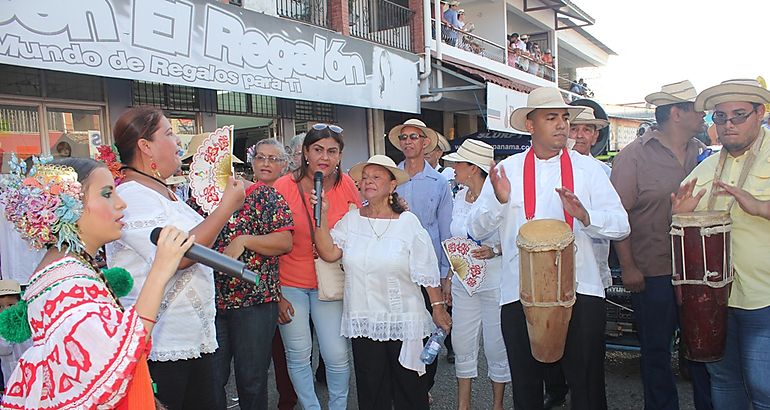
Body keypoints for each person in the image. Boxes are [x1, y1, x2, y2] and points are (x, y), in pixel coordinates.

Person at [468, 87, 630, 410]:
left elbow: (621, 224)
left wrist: (585, 216)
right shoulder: (507, 171)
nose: (562, 125)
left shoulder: (589, 171)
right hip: (519, 294)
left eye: (565, 118)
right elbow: (476, 229)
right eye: (551, 118)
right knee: (527, 389)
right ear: (530, 125)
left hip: (580, 292)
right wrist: (499, 202)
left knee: (586, 387)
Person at [0, 156, 194, 408]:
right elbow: (117, 355)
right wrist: (160, 270)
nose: (121, 204)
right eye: (107, 194)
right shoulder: (67, 282)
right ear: (70, 207)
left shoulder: (65, 269)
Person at [106, 106, 246, 410]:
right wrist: (225, 208)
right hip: (162, 341)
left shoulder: (165, 193)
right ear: (145, 146)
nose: (178, 144)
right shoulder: (131, 197)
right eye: (169, 134)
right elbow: (178, 256)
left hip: (194, 335)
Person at [310, 155, 451, 409]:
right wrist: (321, 215)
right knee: (372, 391)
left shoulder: (408, 222)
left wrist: (438, 307)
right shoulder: (352, 221)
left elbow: (426, 269)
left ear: (392, 185)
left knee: (410, 389)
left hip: (403, 320)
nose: (368, 182)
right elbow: (328, 252)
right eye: (365, 178)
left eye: (376, 177)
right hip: (365, 319)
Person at [611, 80, 712, 410]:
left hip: (698, 271)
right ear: (676, 113)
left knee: (702, 349)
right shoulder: (633, 157)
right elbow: (619, 216)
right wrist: (628, 267)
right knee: (656, 352)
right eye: (696, 108)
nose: (704, 114)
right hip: (652, 272)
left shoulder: (704, 154)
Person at [671, 78, 770, 410]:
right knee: (724, 384)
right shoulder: (708, 166)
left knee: (764, 389)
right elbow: (681, 228)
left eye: (739, 115)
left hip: (765, 299)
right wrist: (679, 215)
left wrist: (760, 208)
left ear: (760, 113)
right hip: (716, 299)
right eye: (720, 118)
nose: (729, 125)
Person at [187, 137, 294, 410]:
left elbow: (284, 242)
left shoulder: (263, 195)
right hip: (211, 300)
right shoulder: (198, 201)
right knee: (212, 378)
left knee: (251, 379)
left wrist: (245, 240)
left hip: (255, 301)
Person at [273, 124, 360, 410]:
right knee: (298, 354)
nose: (325, 156)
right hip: (289, 282)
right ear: (306, 153)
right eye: (318, 149)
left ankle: (338, 406)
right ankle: (311, 408)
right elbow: (270, 241)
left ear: (340, 155)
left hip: (330, 282)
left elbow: (360, 227)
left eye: (332, 151)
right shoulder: (283, 186)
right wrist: (276, 294)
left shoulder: (346, 184)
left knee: (336, 355)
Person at [441, 140, 510, 410]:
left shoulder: (500, 197)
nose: (453, 168)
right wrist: (449, 276)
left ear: (473, 168)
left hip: (494, 280)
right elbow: (454, 240)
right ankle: (463, 405)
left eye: (458, 163)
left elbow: (516, 236)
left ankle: (497, 405)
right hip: (462, 281)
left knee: (495, 344)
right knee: (462, 342)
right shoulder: (459, 196)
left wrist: (494, 250)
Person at [388, 118, 453, 395]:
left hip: (429, 270)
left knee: (431, 327)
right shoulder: (391, 179)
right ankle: (402, 385)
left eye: (414, 137)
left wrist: (446, 275)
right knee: (399, 326)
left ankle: (425, 384)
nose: (408, 142)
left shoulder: (440, 183)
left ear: (425, 142)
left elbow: (446, 231)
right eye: (403, 137)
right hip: (397, 267)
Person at [246, 139, 298, 410]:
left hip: (287, 282)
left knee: (287, 353)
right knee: (252, 363)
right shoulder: (239, 194)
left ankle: (288, 400)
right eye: (260, 157)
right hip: (247, 290)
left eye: (273, 159)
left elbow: (287, 244)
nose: (265, 163)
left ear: (284, 165)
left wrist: (279, 294)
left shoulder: (289, 193)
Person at [0, 280, 31, 388]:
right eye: (0, 307)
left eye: (10, 305)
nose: (5, 310)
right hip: (11, 377)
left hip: (31, 370)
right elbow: (4, 349)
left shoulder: (26, 322)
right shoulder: (1, 329)